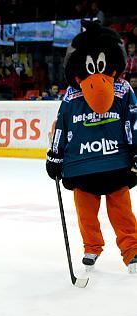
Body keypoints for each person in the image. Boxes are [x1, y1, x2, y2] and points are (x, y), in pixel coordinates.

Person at [46, 23, 137, 273]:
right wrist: (55, 155)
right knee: (86, 212)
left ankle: (132, 250)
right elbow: (61, 126)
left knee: (121, 209)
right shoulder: (71, 95)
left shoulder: (124, 90)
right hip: (81, 164)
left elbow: (133, 121)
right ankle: (92, 247)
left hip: (114, 161)